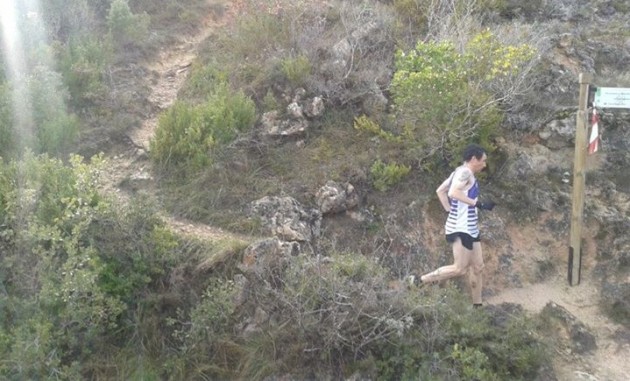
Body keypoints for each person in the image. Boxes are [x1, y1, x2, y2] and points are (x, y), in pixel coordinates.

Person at [409, 144, 495, 307]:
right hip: (461, 228)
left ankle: (477, 306)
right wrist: (478, 204)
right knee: (459, 269)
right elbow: (453, 192)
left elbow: (440, 190)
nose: (484, 165)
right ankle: (418, 281)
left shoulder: (458, 171)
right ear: (474, 159)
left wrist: (450, 210)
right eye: (483, 161)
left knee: (478, 267)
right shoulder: (465, 173)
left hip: (470, 227)